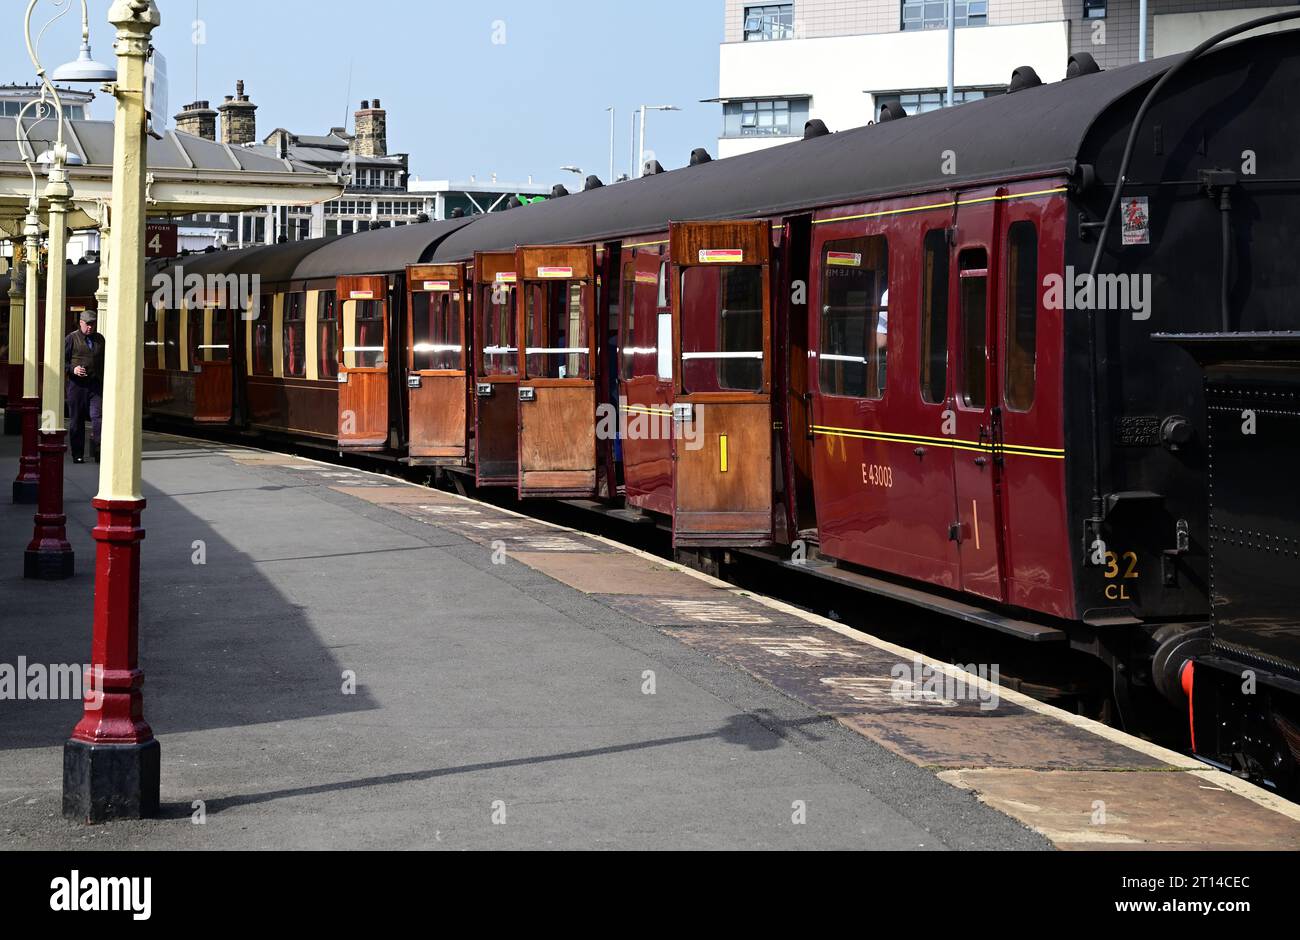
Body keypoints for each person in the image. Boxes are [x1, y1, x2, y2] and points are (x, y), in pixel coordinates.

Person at [64, 310, 104, 464]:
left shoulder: (100, 339)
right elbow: (62, 361)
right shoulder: (71, 339)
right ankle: (77, 454)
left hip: (95, 385)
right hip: (77, 386)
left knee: (98, 418)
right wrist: (73, 369)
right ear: (80, 322)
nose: (90, 327)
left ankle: (99, 450)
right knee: (77, 420)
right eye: (87, 324)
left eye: (92, 324)